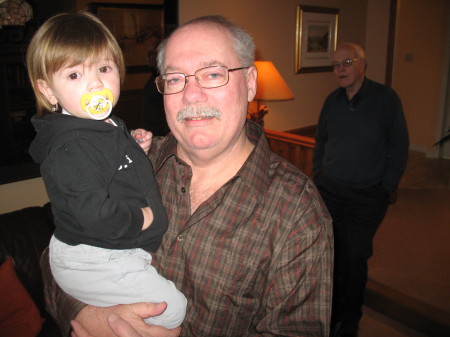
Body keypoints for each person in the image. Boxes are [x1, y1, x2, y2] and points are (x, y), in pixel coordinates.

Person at [42, 15, 334, 337]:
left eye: (212, 74)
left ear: (250, 82)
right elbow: (56, 257)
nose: (192, 95)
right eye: (176, 79)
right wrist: (86, 315)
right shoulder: (132, 161)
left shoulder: (297, 211)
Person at [26, 12, 186, 330]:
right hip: (95, 256)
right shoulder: (71, 144)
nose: (96, 83)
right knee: (173, 310)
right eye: (74, 75)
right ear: (48, 91)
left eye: (103, 68)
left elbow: (107, 163)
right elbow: (93, 214)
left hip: (113, 249)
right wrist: (142, 218)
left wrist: (133, 146)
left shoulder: (102, 124)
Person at [313, 42, 409, 337]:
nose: (340, 70)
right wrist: (319, 176)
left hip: (367, 196)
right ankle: (331, 312)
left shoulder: (385, 99)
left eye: (347, 62)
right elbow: (321, 142)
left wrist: (386, 186)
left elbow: (399, 145)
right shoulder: (332, 101)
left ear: (362, 65)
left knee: (354, 256)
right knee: (331, 254)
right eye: (335, 65)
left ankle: (351, 319)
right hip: (331, 192)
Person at [141, 31, 170, 137]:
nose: (150, 59)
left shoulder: (165, 81)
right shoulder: (153, 83)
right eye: (150, 55)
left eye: (154, 55)